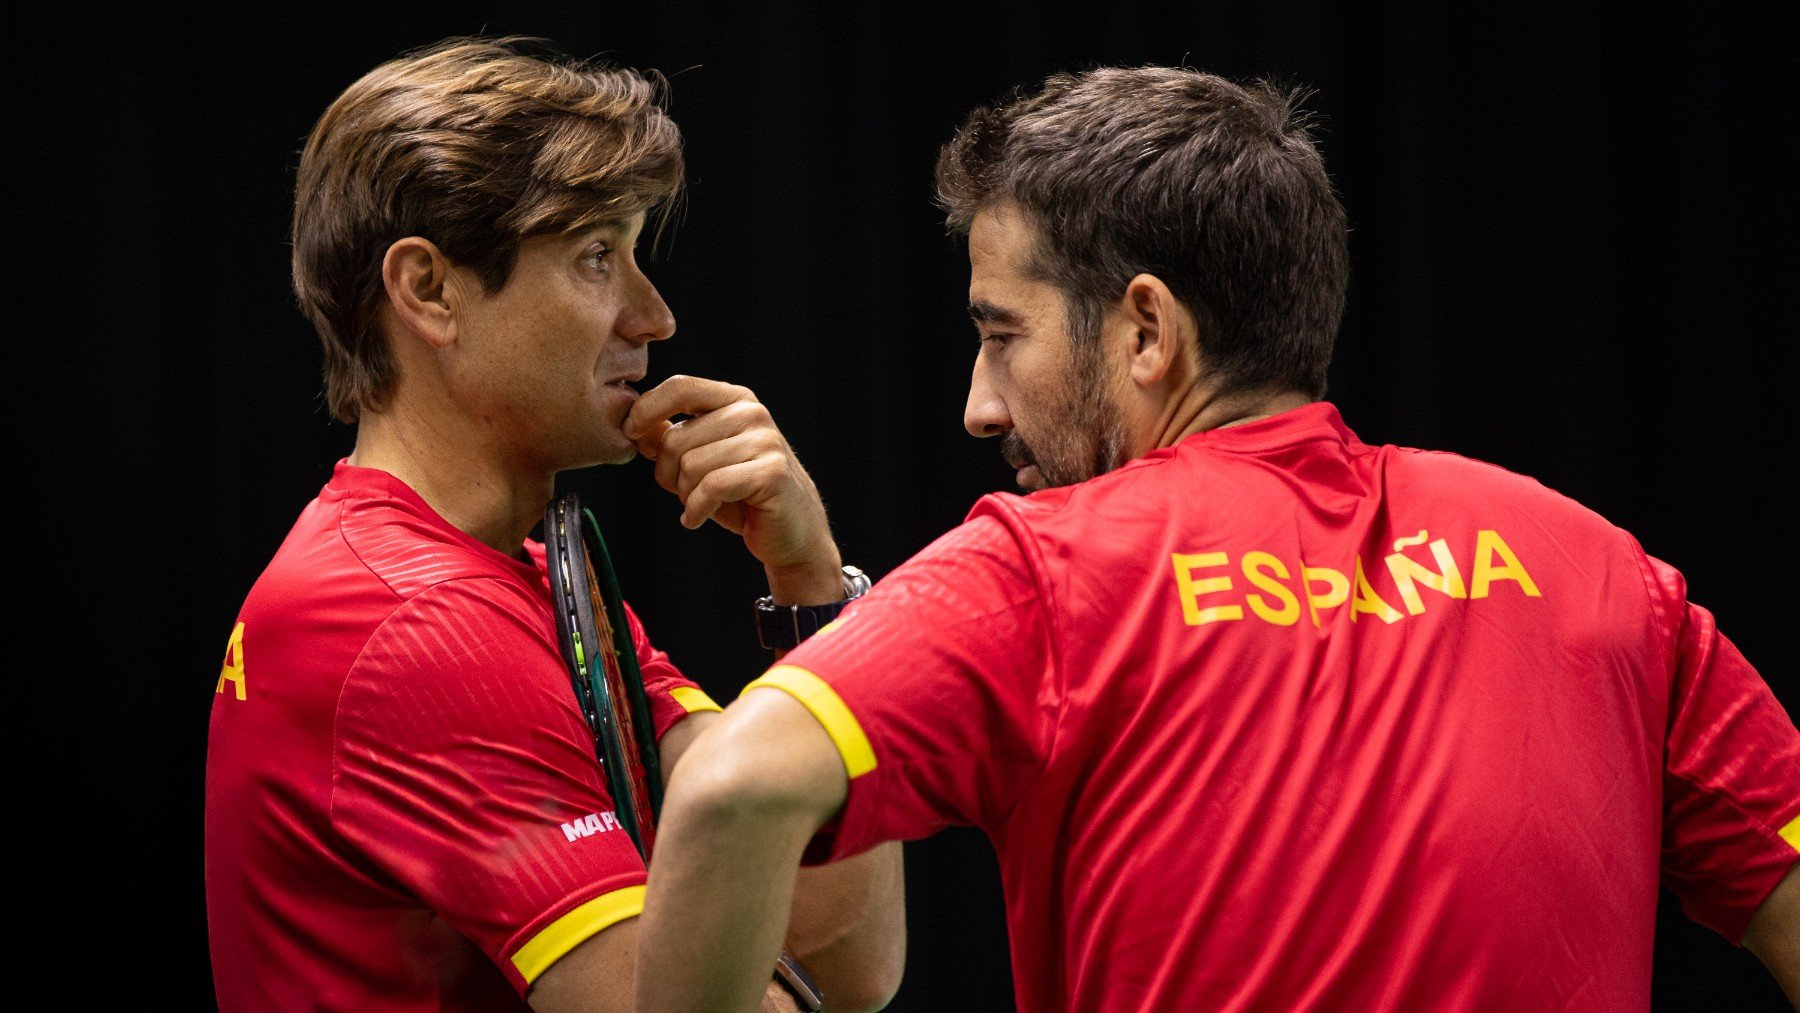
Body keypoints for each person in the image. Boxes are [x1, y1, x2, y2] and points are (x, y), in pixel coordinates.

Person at [634, 67, 1800, 1011]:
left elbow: (730, 791)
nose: (980, 405)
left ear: (1147, 329)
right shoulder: (1597, 565)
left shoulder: (1044, 568)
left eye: (1004, 334)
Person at [203, 38, 903, 1012]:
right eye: (593, 257)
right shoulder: (415, 626)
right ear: (430, 290)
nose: (653, 316)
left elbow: (843, 952)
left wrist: (812, 590)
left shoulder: (518, 585)